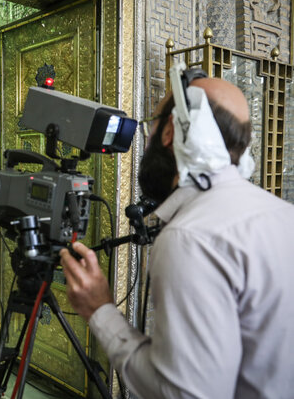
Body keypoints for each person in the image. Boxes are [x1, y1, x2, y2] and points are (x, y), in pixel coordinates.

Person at [60, 76, 294, 398]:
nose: (148, 137)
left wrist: (99, 310)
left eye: (152, 125)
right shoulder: (283, 214)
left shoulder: (192, 238)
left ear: (170, 131)